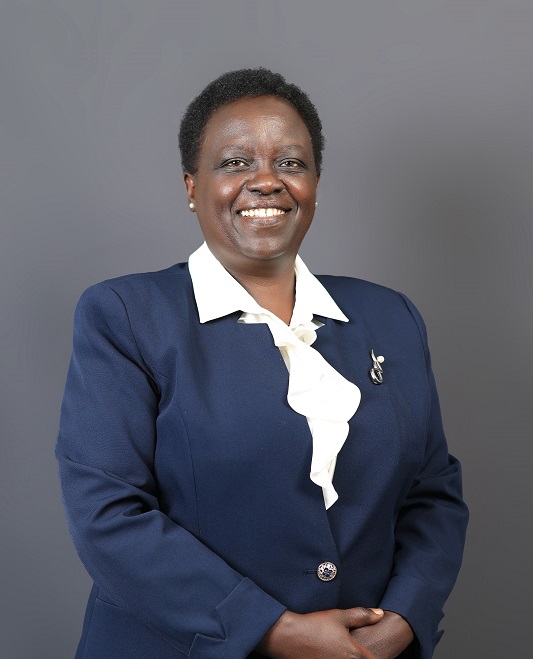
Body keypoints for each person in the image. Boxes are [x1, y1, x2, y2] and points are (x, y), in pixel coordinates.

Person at [56, 68, 468, 658]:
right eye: (235, 163)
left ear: (315, 184)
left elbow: (433, 493)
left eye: (291, 163)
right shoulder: (125, 316)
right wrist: (274, 630)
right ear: (192, 186)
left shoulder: (391, 317)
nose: (267, 181)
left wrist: (404, 616)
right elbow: (108, 516)